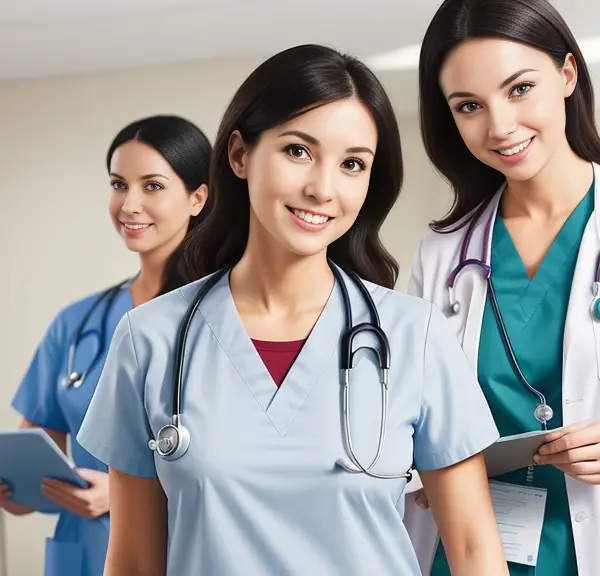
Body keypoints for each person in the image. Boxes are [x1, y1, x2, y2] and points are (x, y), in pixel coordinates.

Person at [77, 44, 508, 576]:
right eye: (298, 151)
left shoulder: (413, 335)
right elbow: (134, 561)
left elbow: (472, 551)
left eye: (352, 164)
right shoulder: (150, 339)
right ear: (239, 155)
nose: (322, 188)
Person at [405, 0, 600, 575]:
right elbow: (409, 416)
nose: (500, 126)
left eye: (519, 89)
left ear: (567, 74)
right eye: (469, 106)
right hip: (467, 550)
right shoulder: (443, 252)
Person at [0, 114, 211, 576]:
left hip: (184, 548)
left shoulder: (225, 316)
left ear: (198, 197)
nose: (129, 204)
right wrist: (14, 486)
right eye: (119, 184)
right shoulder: (76, 323)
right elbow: (28, 473)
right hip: (82, 552)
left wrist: (123, 494)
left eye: (152, 186)